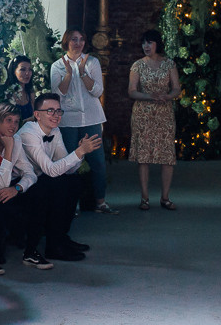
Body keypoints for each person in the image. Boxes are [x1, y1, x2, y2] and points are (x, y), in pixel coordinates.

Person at [17, 92, 100, 264]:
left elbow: (66, 167)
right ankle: (53, 246)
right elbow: (52, 170)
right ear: (37, 114)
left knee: (74, 182)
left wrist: (80, 153)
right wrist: (79, 152)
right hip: (21, 184)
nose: (55, 115)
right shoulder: (28, 134)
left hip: (42, 178)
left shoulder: (54, 130)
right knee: (57, 185)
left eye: (58, 111)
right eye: (50, 111)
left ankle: (61, 237)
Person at [50, 30, 117, 214]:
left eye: (81, 39)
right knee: (70, 162)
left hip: (91, 118)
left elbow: (97, 92)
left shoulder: (92, 62)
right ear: (66, 42)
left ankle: (100, 202)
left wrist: (82, 73)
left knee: (97, 161)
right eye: (74, 39)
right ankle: (72, 203)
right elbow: (57, 94)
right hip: (68, 120)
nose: (78, 43)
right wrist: (69, 75)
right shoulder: (57, 66)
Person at [0, 102, 38, 271]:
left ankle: (31, 251)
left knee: (37, 194)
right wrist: (9, 151)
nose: (13, 126)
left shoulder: (15, 139)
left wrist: (17, 188)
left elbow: (30, 173)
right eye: (8, 120)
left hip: (9, 186)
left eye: (16, 121)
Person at [128, 29, 181, 210]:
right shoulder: (137, 65)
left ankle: (165, 197)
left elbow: (176, 89)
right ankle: (144, 198)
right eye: (143, 43)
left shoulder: (169, 64)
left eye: (149, 43)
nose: (146, 46)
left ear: (157, 44)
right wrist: (149, 95)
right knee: (144, 157)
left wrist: (167, 96)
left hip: (164, 114)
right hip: (143, 113)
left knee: (167, 156)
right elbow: (132, 91)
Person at [5, 55, 36, 120]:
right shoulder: (8, 93)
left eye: (29, 69)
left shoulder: (30, 92)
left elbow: (35, 116)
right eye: (23, 69)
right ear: (14, 72)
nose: (27, 73)